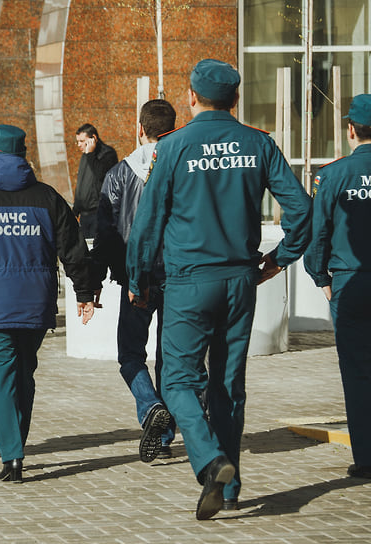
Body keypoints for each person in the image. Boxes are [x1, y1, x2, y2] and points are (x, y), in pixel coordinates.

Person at [126, 59, 312, 520]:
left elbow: (146, 225)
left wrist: (138, 280)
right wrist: (279, 259)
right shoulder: (259, 142)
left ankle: (211, 461)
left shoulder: (172, 148)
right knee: (229, 385)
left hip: (189, 280)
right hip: (240, 279)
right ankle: (230, 491)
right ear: (236, 99)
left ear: (191, 97)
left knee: (177, 380)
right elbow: (304, 210)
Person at [0, 124, 98, 483]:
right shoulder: (47, 196)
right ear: (24, 154)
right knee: (23, 373)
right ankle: (17, 445)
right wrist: (85, 291)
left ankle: (12, 454)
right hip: (33, 302)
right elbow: (72, 248)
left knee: (0, 375)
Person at [93, 99, 177, 463]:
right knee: (172, 357)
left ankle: (150, 406)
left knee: (130, 353)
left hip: (135, 280)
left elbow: (107, 234)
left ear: (139, 129)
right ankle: (165, 433)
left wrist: (96, 279)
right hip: (178, 275)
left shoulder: (118, 175)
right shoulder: (183, 167)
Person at [303, 93, 371, 481]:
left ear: (350, 130)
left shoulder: (330, 175)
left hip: (351, 284)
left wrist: (321, 278)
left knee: (359, 373)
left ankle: (366, 457)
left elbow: (318, 235)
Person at [72, 123, 117, 240]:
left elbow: (100, 174)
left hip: (98, 214)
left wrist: (91, 154)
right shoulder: (85, 155)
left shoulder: (107, 154)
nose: (79, 145)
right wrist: (75, 211)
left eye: (82, 141)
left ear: (93, 139)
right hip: (84, 215)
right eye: (77, 141)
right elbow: (82, 184)